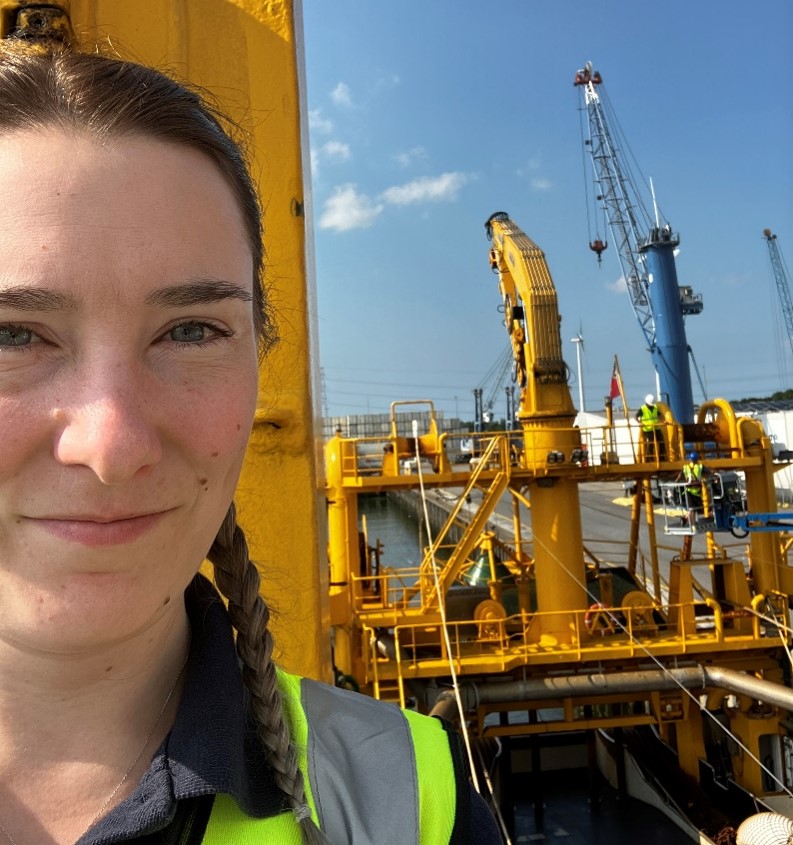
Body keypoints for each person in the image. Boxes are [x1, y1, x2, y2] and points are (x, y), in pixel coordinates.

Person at [0, 42, 501, 845]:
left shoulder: (408, 803)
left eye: (191, 331)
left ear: (258, 360)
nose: (112, 444)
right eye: (13, 334)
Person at [636, 393, 667, 462]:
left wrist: (664, 420)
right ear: (646, 403)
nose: (651, 406)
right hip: (647, 429)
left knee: (662, 441)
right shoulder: (642, 409)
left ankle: (662, 458)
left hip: (656, 427)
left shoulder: (655, 408)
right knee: (651, 442)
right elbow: (636, 416)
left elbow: (660, 415)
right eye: (650, 405)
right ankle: (650, 459)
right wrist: (639, 423)